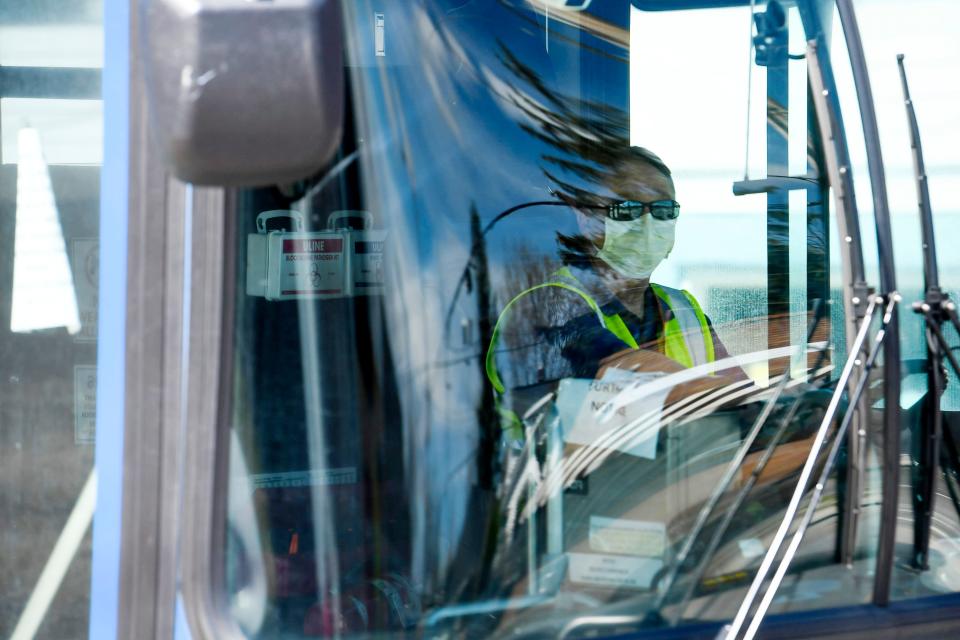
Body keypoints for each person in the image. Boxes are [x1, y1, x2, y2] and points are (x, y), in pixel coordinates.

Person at [484, 146, 740, 433]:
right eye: (627, 208)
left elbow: (741, 388)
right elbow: (629, 373)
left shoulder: (684, 309)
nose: (648, 223)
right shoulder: (546, 305)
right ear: (586, 219)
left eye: (664, 209)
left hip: (687, 473)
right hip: (560, 476)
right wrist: (736, 402)